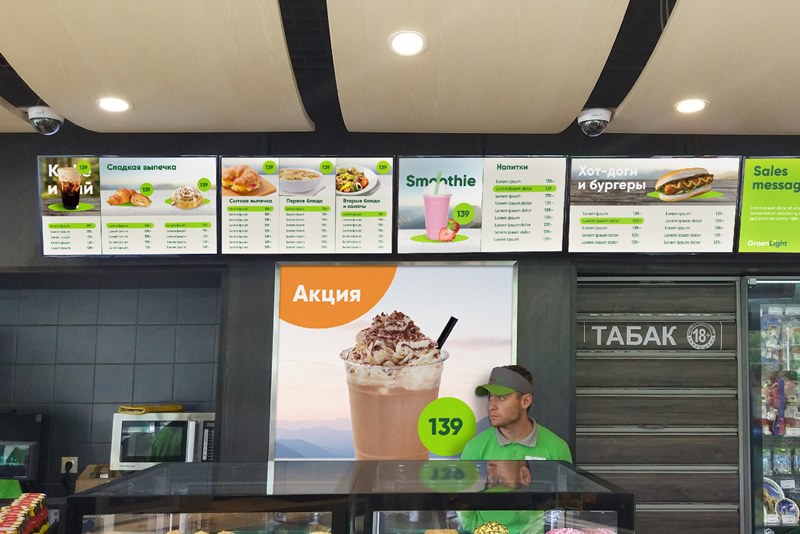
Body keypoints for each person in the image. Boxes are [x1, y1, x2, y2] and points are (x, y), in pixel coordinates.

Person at [461, 364, 572, 462]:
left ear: (525, 401)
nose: (491, 406)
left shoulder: (557, 449)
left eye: (501, 397)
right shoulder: (474, 448)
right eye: (490, 397)